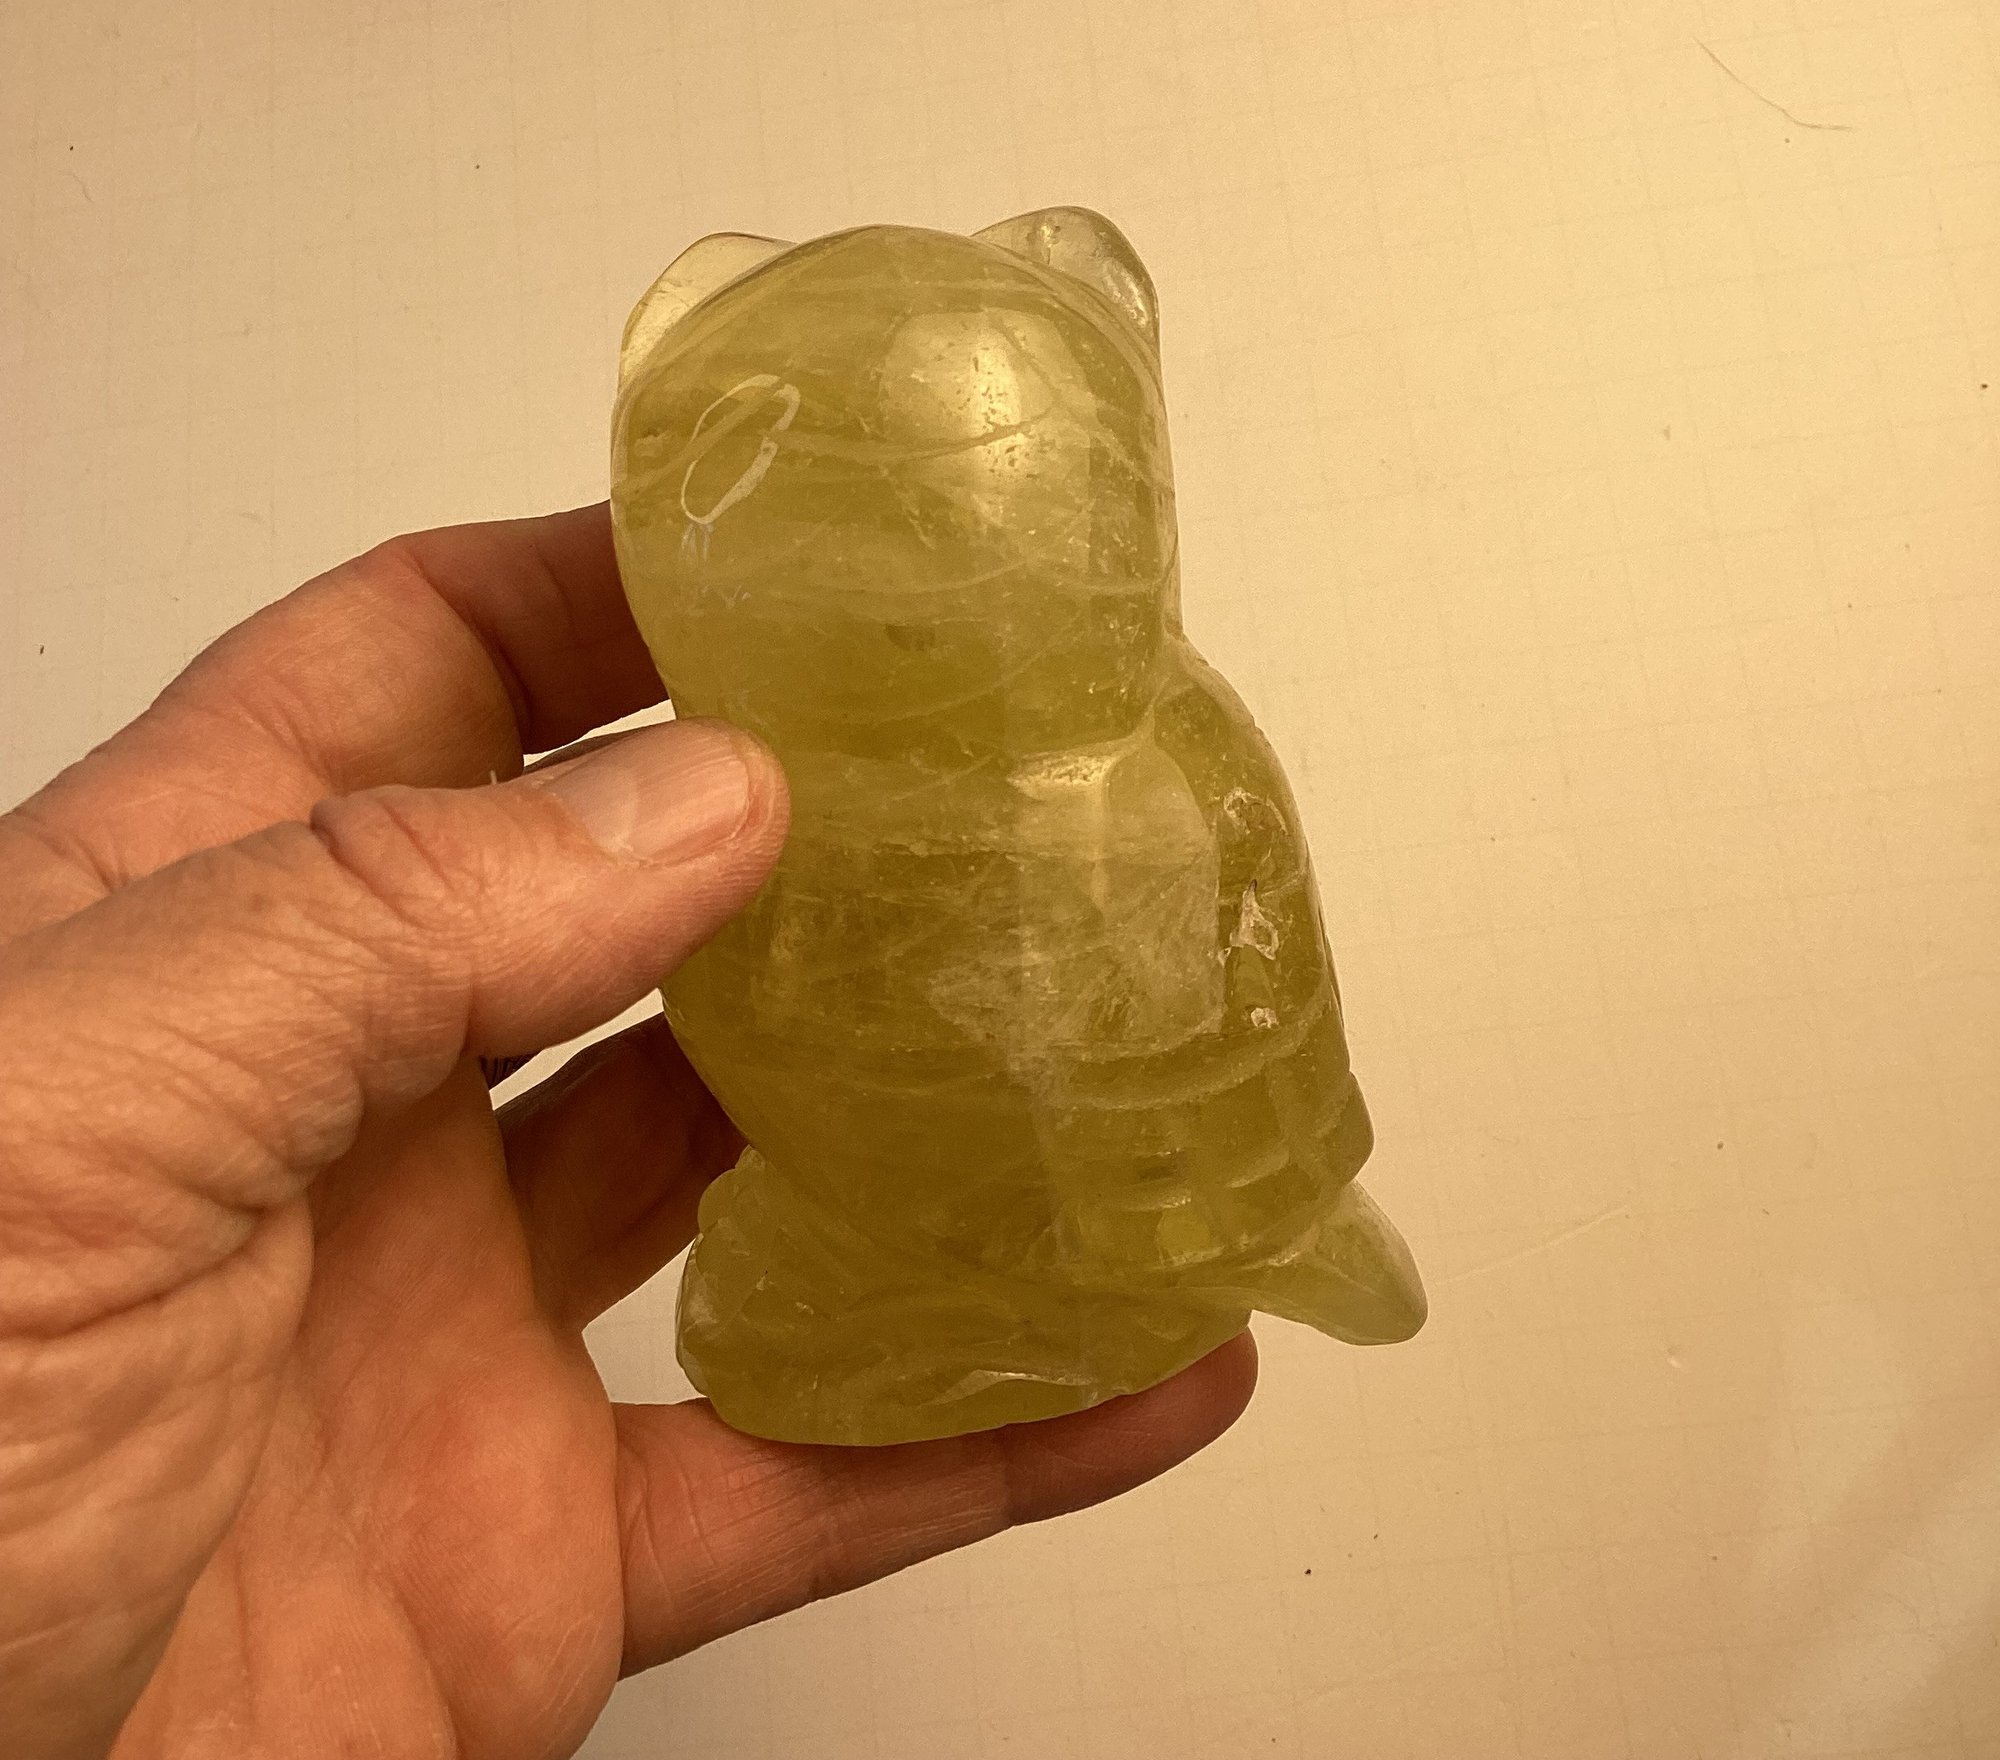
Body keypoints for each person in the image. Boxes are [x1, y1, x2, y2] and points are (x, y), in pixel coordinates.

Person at [0, 504, 1256, 1760]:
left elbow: (1246, 1021)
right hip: (851, 1198)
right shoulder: (771, 765)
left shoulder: (1157, 760)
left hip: (1104, 1205)